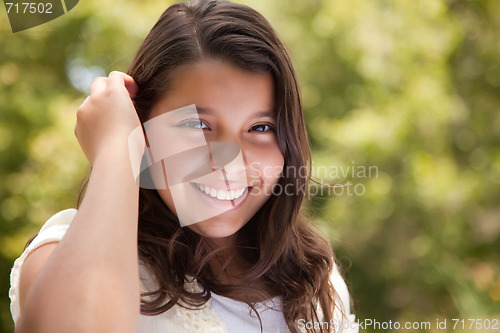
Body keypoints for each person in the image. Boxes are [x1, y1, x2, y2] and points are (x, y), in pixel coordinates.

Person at [9, 0, 358, 332]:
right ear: (140, 122)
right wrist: (117, 150)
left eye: (260, 128)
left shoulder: (314, 281)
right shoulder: (66, 250)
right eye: (198, 125)